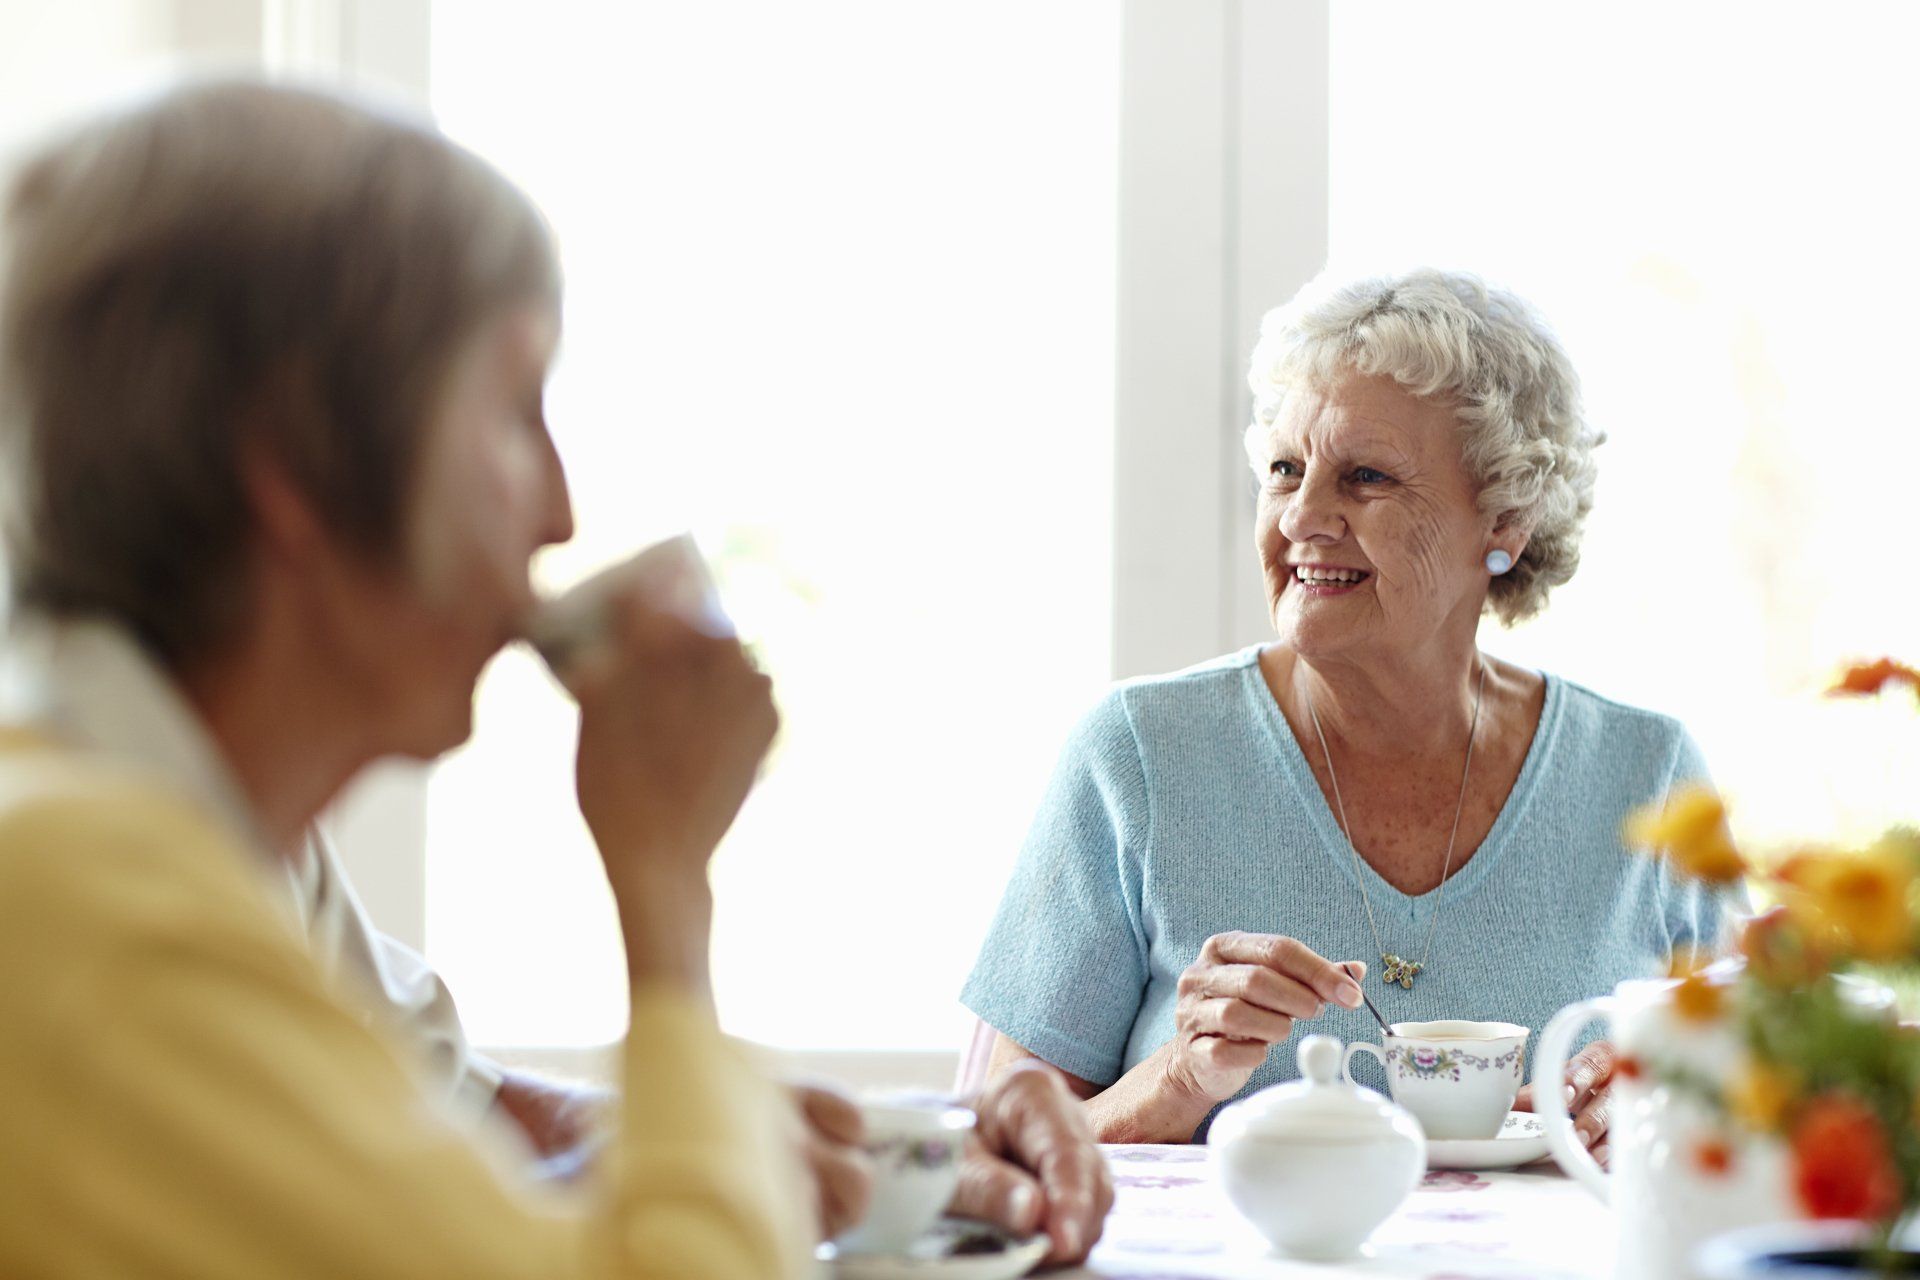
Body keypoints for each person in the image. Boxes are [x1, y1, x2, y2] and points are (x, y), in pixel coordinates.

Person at [0, 79, 1109, 1276]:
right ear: (294, 456)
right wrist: (665, 890)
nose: (561, 509)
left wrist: (790, 1137)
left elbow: (436, 1122)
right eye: (514, 409)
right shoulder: (97, 913)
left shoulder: (184, 834)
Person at [962, 269, 1733, 1156]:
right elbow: (1000, 1155)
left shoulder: (1648, 775)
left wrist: (1653, 1110)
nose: (1302, 518)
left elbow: (1759, 1117)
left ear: (1506, 524)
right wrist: (1179, 1079)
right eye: (1286, 469)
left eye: (1365, 477)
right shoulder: (1137, 754)